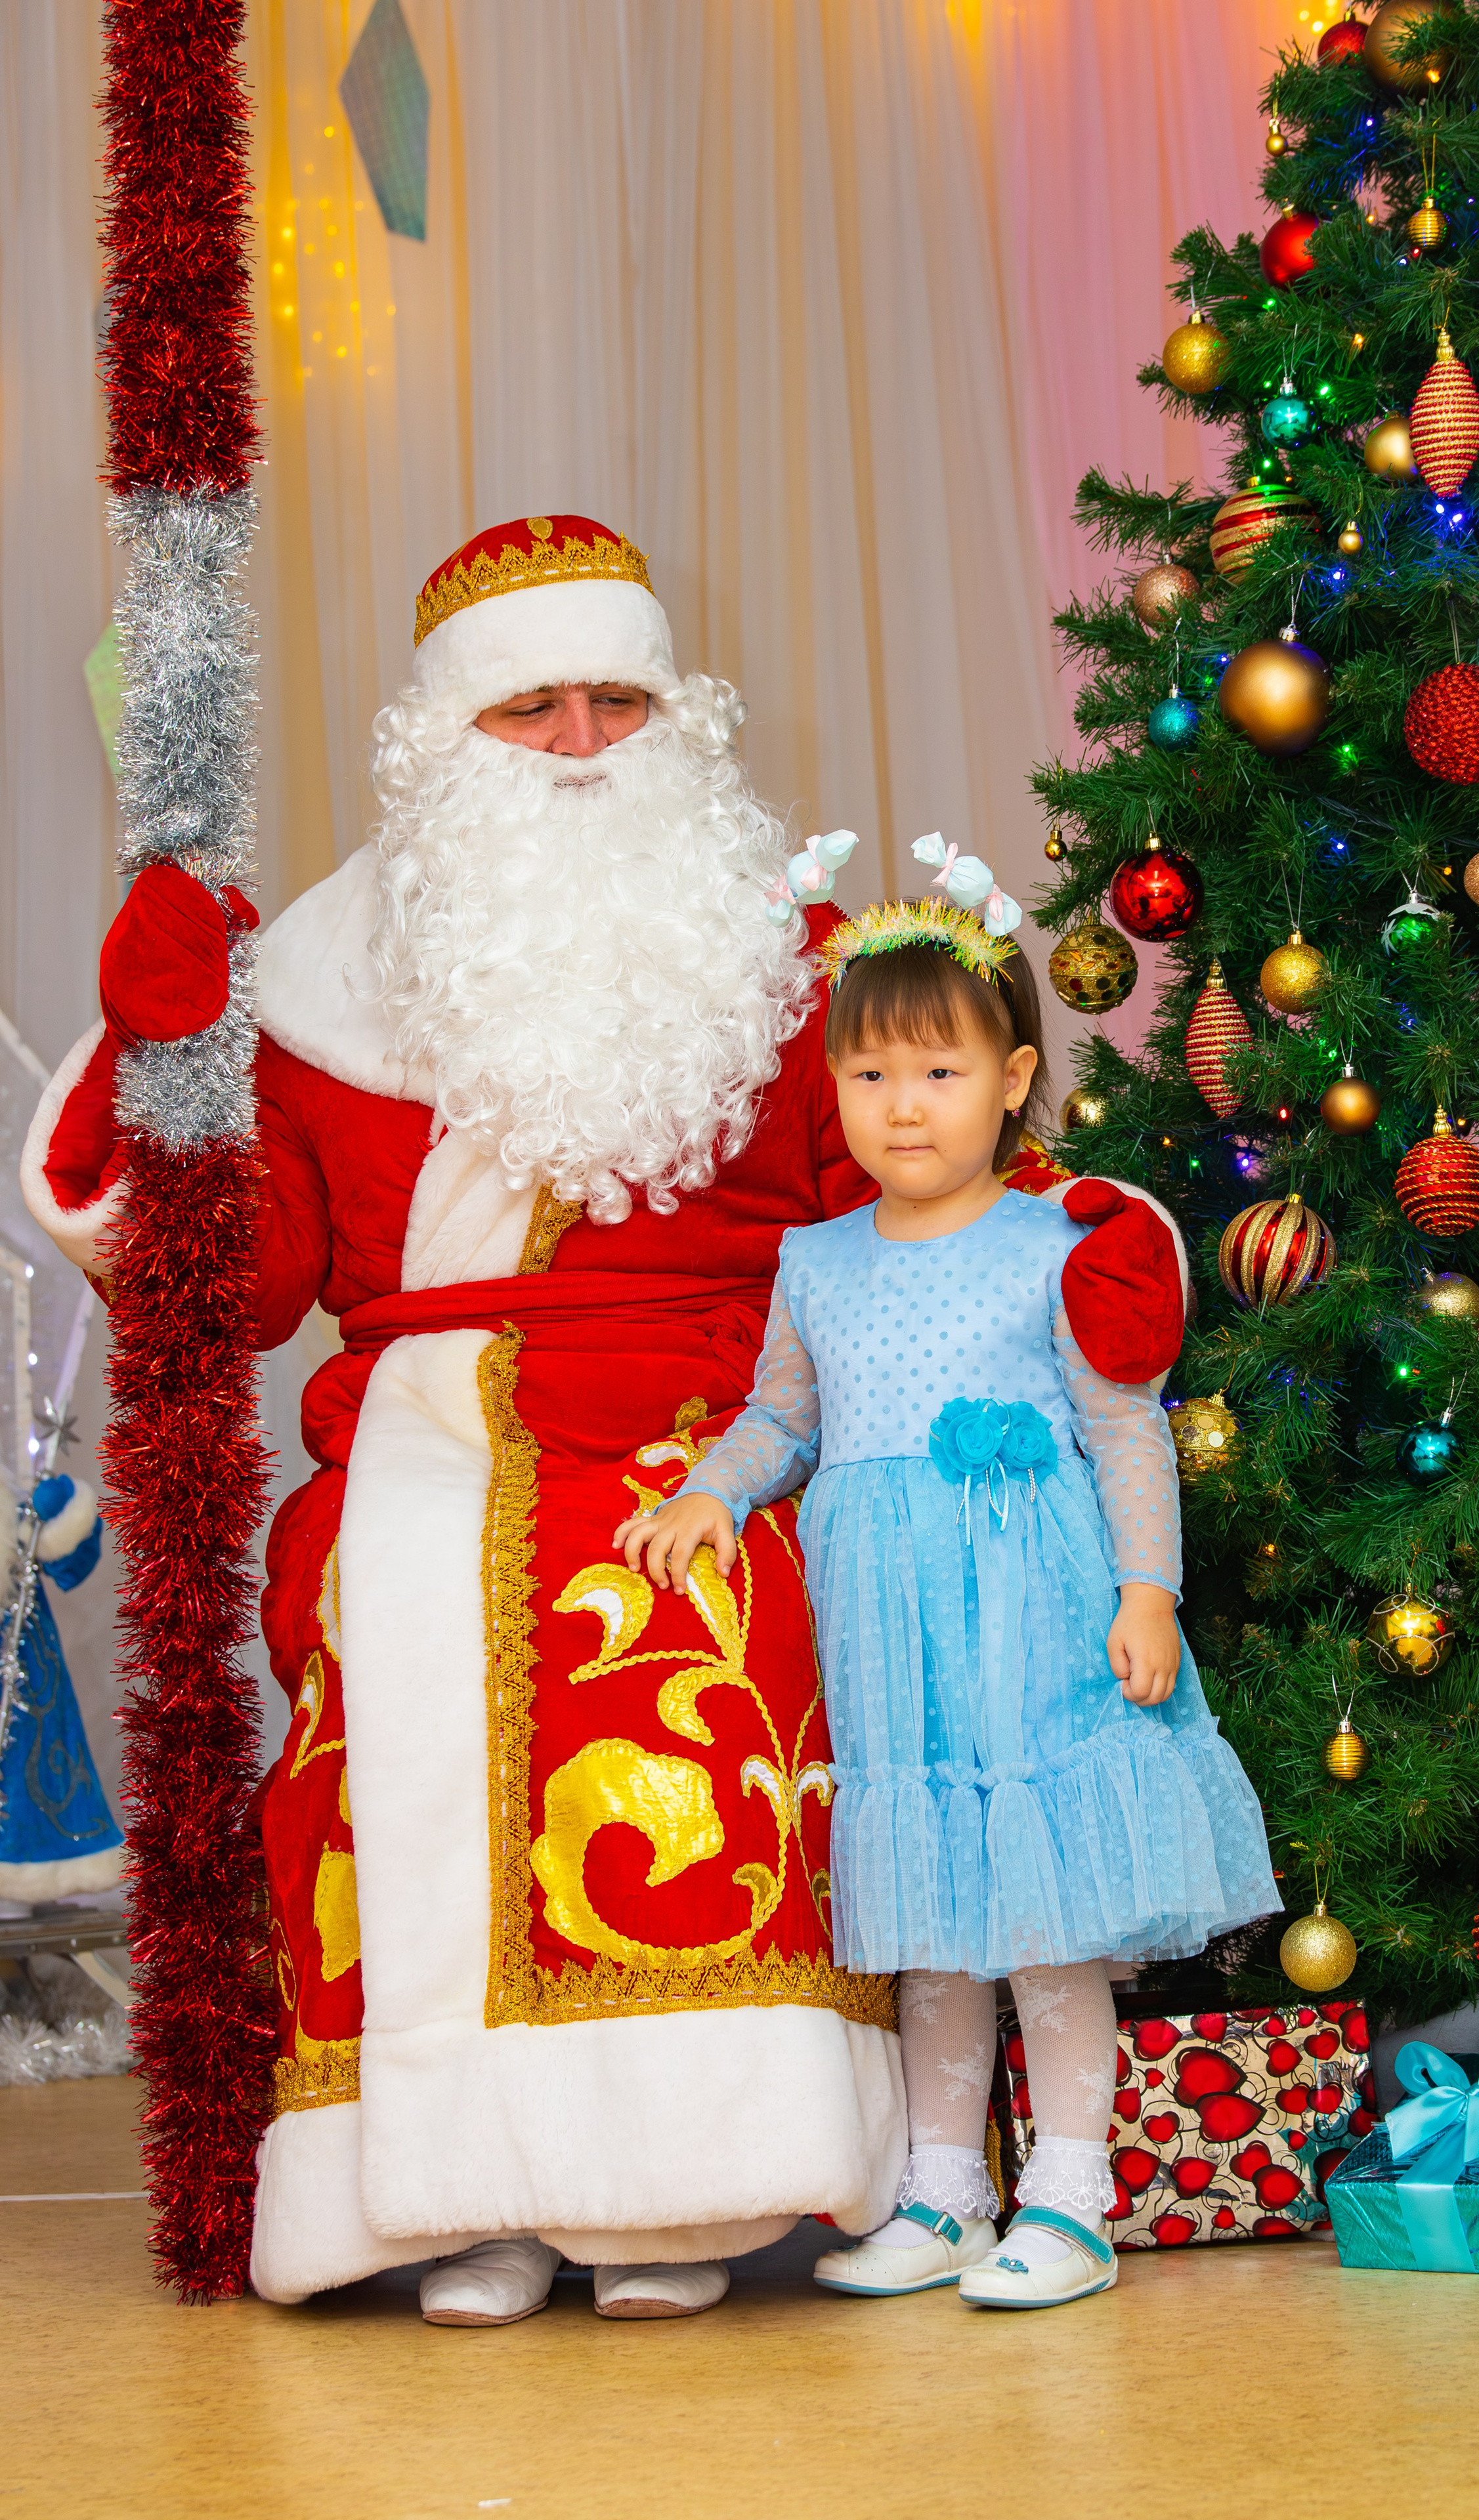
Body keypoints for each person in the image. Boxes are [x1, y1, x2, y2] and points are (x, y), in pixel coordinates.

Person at [20, 513, 1158, 2326]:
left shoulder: (796, 961)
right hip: (416, 1431)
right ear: (442, 740)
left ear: (674, 716)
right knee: (393, 1601)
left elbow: (929, 1188)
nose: (575, 744)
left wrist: (1070, 1268)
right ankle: (465, 2199)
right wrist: (165, 1054)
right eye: (527, 708)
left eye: (613, 701)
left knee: (698, 1606)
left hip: (729, 1411)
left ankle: (690, 2191)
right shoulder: (314, 986)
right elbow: (230, 1296)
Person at [622, 883, 1278, 2309]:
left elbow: (1122, 1428)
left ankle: (1070, 2189)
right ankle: (942, 2192)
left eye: (939, 1071)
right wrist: (712, 1491)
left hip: (1034, 1614)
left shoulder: (1055, 1247)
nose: (900, 1106)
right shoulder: (816, 1261)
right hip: (891, 1631)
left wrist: (1146, 1590)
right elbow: (779, 1421)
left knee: (1041, 1918)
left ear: (1013, 1080)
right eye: (869, 1075)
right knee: (928, 1921)